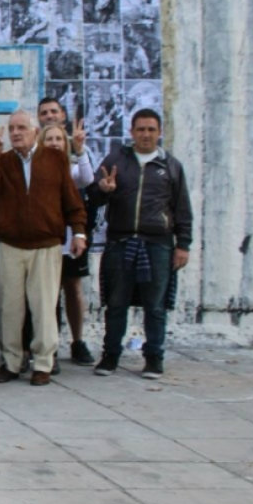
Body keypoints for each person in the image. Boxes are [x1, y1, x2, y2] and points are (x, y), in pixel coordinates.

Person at [0, 111, 87, 386]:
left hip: (46, 245)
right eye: (12, 128)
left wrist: (80, 232)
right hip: (11, 245)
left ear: (35, 131)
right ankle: (11, 362)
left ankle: (43, 363)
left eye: (21, 128)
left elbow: (71, 200)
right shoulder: (2, 161)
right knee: (10, 307)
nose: (16, 133)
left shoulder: (54, 159)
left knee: (43, 306)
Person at [90, 109, 192, 379]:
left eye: (151, 129)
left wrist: (183, 244)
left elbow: (182, 209)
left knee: (155, 306)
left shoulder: (171, 166)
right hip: (121, 242)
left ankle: (154, 358)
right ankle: (110, 356)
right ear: (132, 132)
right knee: (116, 303)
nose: (146, 134)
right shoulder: (116, 161)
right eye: (140, 129)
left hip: (157, 244)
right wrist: (103, 190)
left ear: (159, 132)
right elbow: (92, 198)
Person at [37, 100, 96, 366]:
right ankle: (50, 347)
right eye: (44, 113)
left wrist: (80, 149)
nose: (49, 116)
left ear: (62, 117)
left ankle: (77, 341)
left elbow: (86, 180)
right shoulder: (35, 158)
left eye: (53, 112)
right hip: (45, 237)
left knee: (72, 288)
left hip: (71, 237)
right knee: (47, 295)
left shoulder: (75, 158)